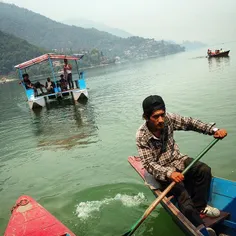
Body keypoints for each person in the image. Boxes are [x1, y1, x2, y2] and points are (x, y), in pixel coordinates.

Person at [136, 95, 227, 236]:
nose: (161, 120)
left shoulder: (169, 120)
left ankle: (200, 207)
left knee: (204, 170)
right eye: (156, 117)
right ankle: (200, 228)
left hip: (178, 160)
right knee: (182, 194)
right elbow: (148, 164)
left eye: (162, 115)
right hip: (162, 171)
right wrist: (169, 174)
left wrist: (213, 130)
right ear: (146, 117)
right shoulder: (142, 136)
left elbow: (190, 123)